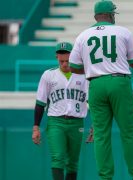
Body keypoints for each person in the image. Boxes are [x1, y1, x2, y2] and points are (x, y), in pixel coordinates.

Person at [68, 1, 133, 179]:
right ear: (111, 15)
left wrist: (92, 69)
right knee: (129, 134)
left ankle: (105, 177)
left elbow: (73, 66)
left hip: (95, 84)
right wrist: (129, 61)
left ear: (96, 16)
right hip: (118, 82)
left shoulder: (82, 35)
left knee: (101, 136)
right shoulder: (123, 31)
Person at [32, 42, 89, 180]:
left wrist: (95, 126)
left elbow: (92, 102)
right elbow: (40, 103)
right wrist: (36, 127)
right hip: (56, 121)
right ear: (56, 57)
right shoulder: (48, 75)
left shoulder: (84, 75)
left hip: (77, 122)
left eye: (68, 61)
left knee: (73, 162)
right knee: (58, 157)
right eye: (61, 61)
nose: (65, 64)